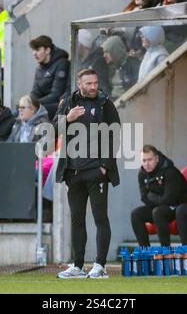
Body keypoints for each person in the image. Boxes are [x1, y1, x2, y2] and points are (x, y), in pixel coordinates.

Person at [54, 68, 120, 279]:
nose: (93, 87)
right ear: (79, 84)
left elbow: (116, 134)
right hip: (73, 171)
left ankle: (100, 266)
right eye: (89, 83)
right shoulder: (68, 102)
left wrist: (105, 166)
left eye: (95, 83)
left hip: (96, 170)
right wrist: (68, 119)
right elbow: (53, 129)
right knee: (77, 219)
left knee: (100, 218)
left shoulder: (105, 103)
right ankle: (78, 266)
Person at [131, 144, 187, 247]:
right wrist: (157, 199)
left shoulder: (170, 171)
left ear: (157, 158)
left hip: (179, 206)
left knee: (158, 212)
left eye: (149, 160)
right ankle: (145, 251)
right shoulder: (142, 174)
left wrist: (152, 197)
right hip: (160, 206)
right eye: (144, 161)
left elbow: (170, 199)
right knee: (136, 214)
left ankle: (165, 250)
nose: (147, 164)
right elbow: (144, 197)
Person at [29, 35, 70, 121]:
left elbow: (56, 94)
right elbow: (35, 91)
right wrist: (28, 102)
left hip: (59, 105)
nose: (34, 53)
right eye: (33, 50)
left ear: (47, 50)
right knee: (18, 111)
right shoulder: (39, 68)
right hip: (44, 103)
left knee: (33, 111)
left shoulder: (62, 63)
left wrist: (34, 104)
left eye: (37, 49)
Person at [101, 36, 140, 100]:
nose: (104, 55)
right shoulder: (112, 66)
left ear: (116, 51)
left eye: (107, 52)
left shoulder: (133, 65)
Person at [76, 29, 110, 95]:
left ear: (83, 45)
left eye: (75, 43)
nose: (71, 46)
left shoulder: (97, 61)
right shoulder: (77, 61)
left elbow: (102, 87)